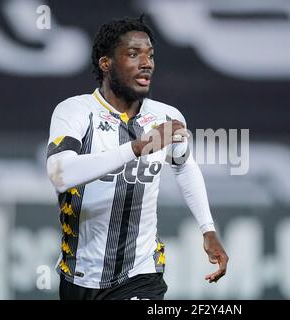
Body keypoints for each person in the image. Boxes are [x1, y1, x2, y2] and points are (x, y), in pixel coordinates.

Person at [46, 15, 228, 300]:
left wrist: (207, 228)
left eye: (150, 55)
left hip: (141, 275)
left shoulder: (167, 117)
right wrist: (135, 148)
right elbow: (59, 174)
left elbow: (184, 167)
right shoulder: (75, 112)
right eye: (133, 54)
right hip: (79, 275)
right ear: (106, 63)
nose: (147, 63)